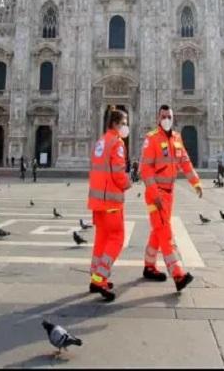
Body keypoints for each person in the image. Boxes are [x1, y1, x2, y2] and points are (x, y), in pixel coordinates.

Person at [139, 104, 202, 292]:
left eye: (169, 116)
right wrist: (154, 194)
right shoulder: (151, 139)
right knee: (165, 233)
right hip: (156, 194)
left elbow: (185, 161)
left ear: (173, 118)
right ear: (158, 118)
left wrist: (195, 182)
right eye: (163, 116)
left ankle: (149, 266)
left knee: (158, 231)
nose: (166, 119)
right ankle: (178, 274)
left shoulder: (176, 138)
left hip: (169, 193)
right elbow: (145, 169)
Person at [87, 107, 131, 302]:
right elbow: (118, 172)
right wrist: (128, 183)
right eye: (124, 123)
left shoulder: (101, 141)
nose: (126, 127)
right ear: (115, 124)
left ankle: (94, 277)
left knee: (102, 239)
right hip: (111, 200)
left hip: (97, 200)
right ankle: (100, 278)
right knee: (117, 239)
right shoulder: (117, 143)